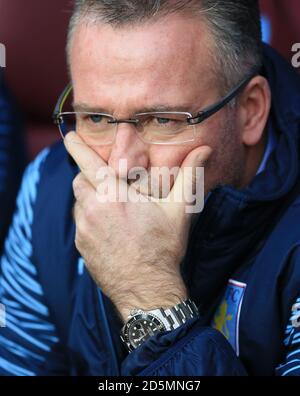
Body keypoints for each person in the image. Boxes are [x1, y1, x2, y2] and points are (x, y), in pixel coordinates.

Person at [0, 0, 300, 376]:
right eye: (96, 117)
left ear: (250, 111)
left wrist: (149, 296)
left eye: (162, 119)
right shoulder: (48, 187)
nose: (122, 165)